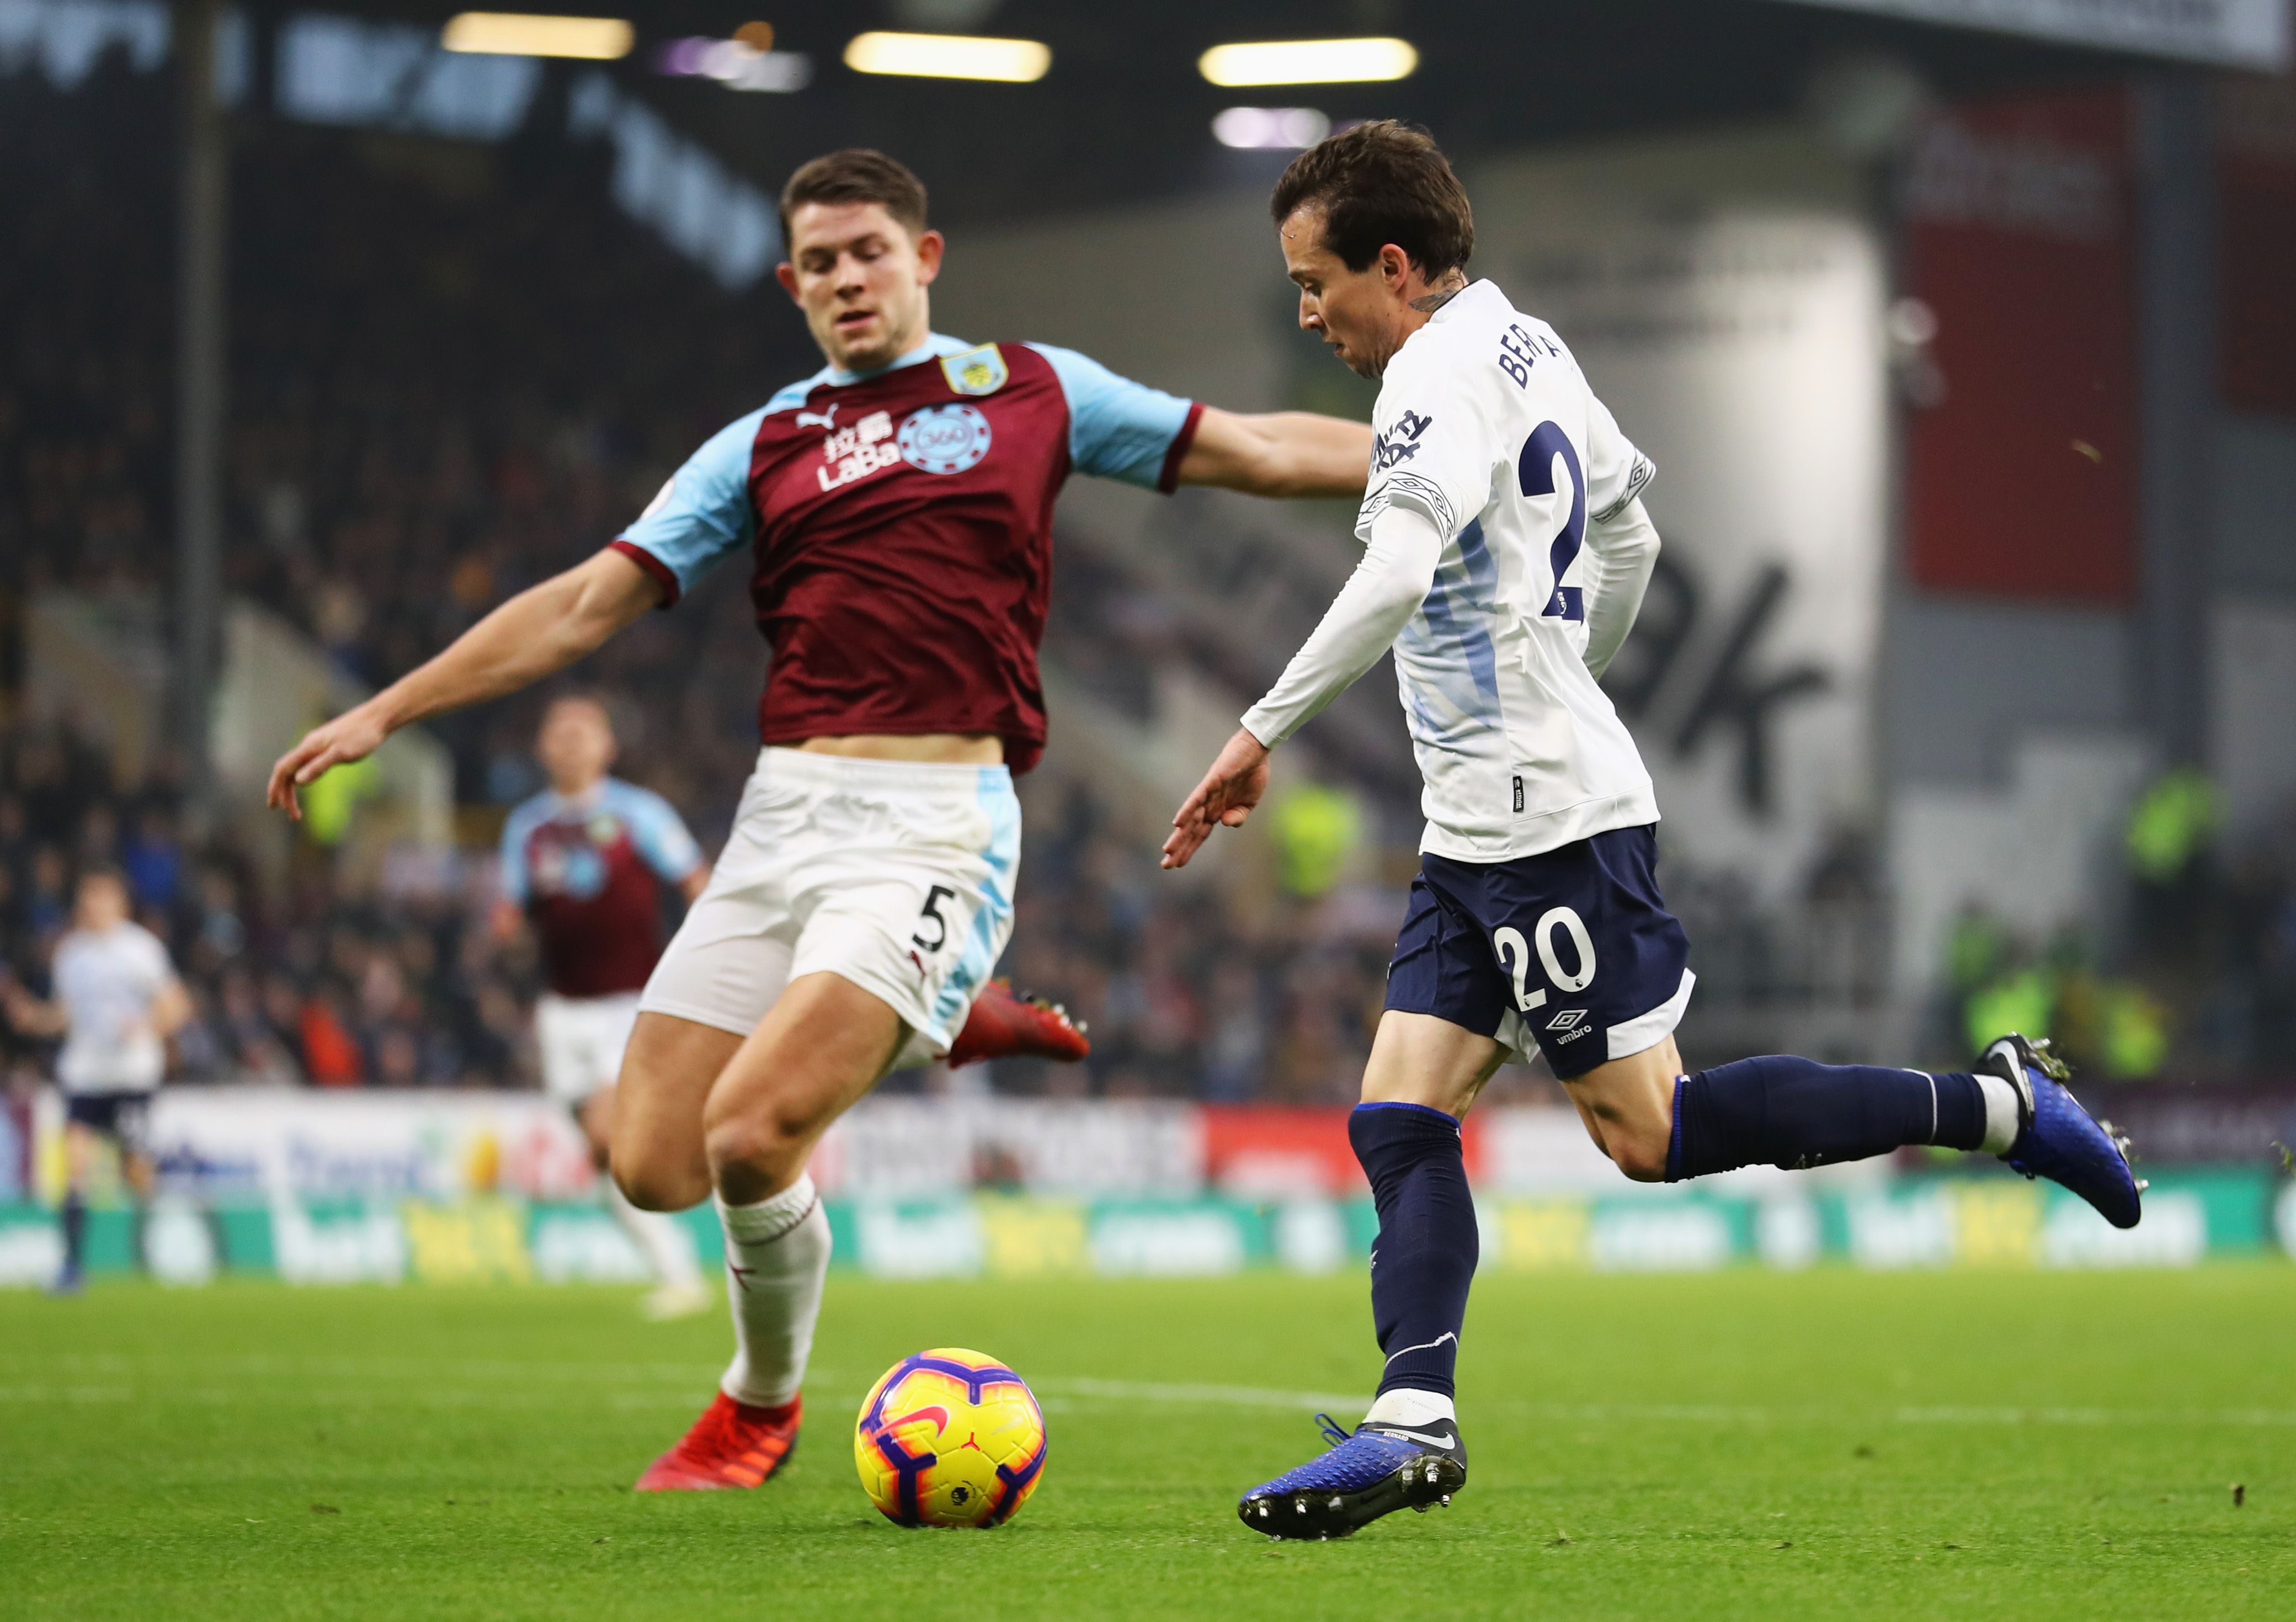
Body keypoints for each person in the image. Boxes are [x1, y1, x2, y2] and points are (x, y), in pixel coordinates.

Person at [267, 147, 1374, 1492]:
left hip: (932, 823)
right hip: (781, 816)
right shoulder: (762, 443)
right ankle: (936, 1017)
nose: (849, 279)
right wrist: (390, 708)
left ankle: (758, 1404)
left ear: (926, 258)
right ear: (791, 285)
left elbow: (1259, 449)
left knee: (749, 1134)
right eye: (822, 264)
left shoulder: (1031, 388)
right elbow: (581, 604)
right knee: (653, 1163)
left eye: (871, 252)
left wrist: (1440, 459)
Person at [1159, 121, 2145, 1540]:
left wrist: (1259, 730)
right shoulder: (1523, 344)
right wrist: (1569, 662)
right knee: (1396, 1112)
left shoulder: (1436, 375)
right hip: (1481, 822)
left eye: (1318, 282)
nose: (1309, 310)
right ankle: (1411, 1421)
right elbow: (1631, 540)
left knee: (1653, 1131)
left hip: (1543, 824)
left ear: (1395, 263)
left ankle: (1997, 1104)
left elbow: (1391, 571)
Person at [497, 694, 715, 1320]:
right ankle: (679, 1271)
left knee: (606, 1129)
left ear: (606, 746)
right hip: (561, 1009)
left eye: (581, 732)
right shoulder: (528, 827)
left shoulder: (639, 813)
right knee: (602, 1156)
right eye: (557, 732)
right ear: (542, 748)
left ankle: (691, 1235)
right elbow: (510, 908)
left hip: (631, 1003)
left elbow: (697, 882)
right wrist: (504, 928)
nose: (569, 743)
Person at [0, 867, 193, 1293]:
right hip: (85, 1073)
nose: (91, 907)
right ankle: (72, 1266)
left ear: (119, 904)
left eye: (100, 899)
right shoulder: (70, 953)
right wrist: (34, 1018)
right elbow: (67, 1015)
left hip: (132, 1074)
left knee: (136, 1170)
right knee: (75, 1165)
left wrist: (144, 1025)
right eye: (86, 899)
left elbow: (177, 1006)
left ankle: (157, 1251)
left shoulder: (140, 950)